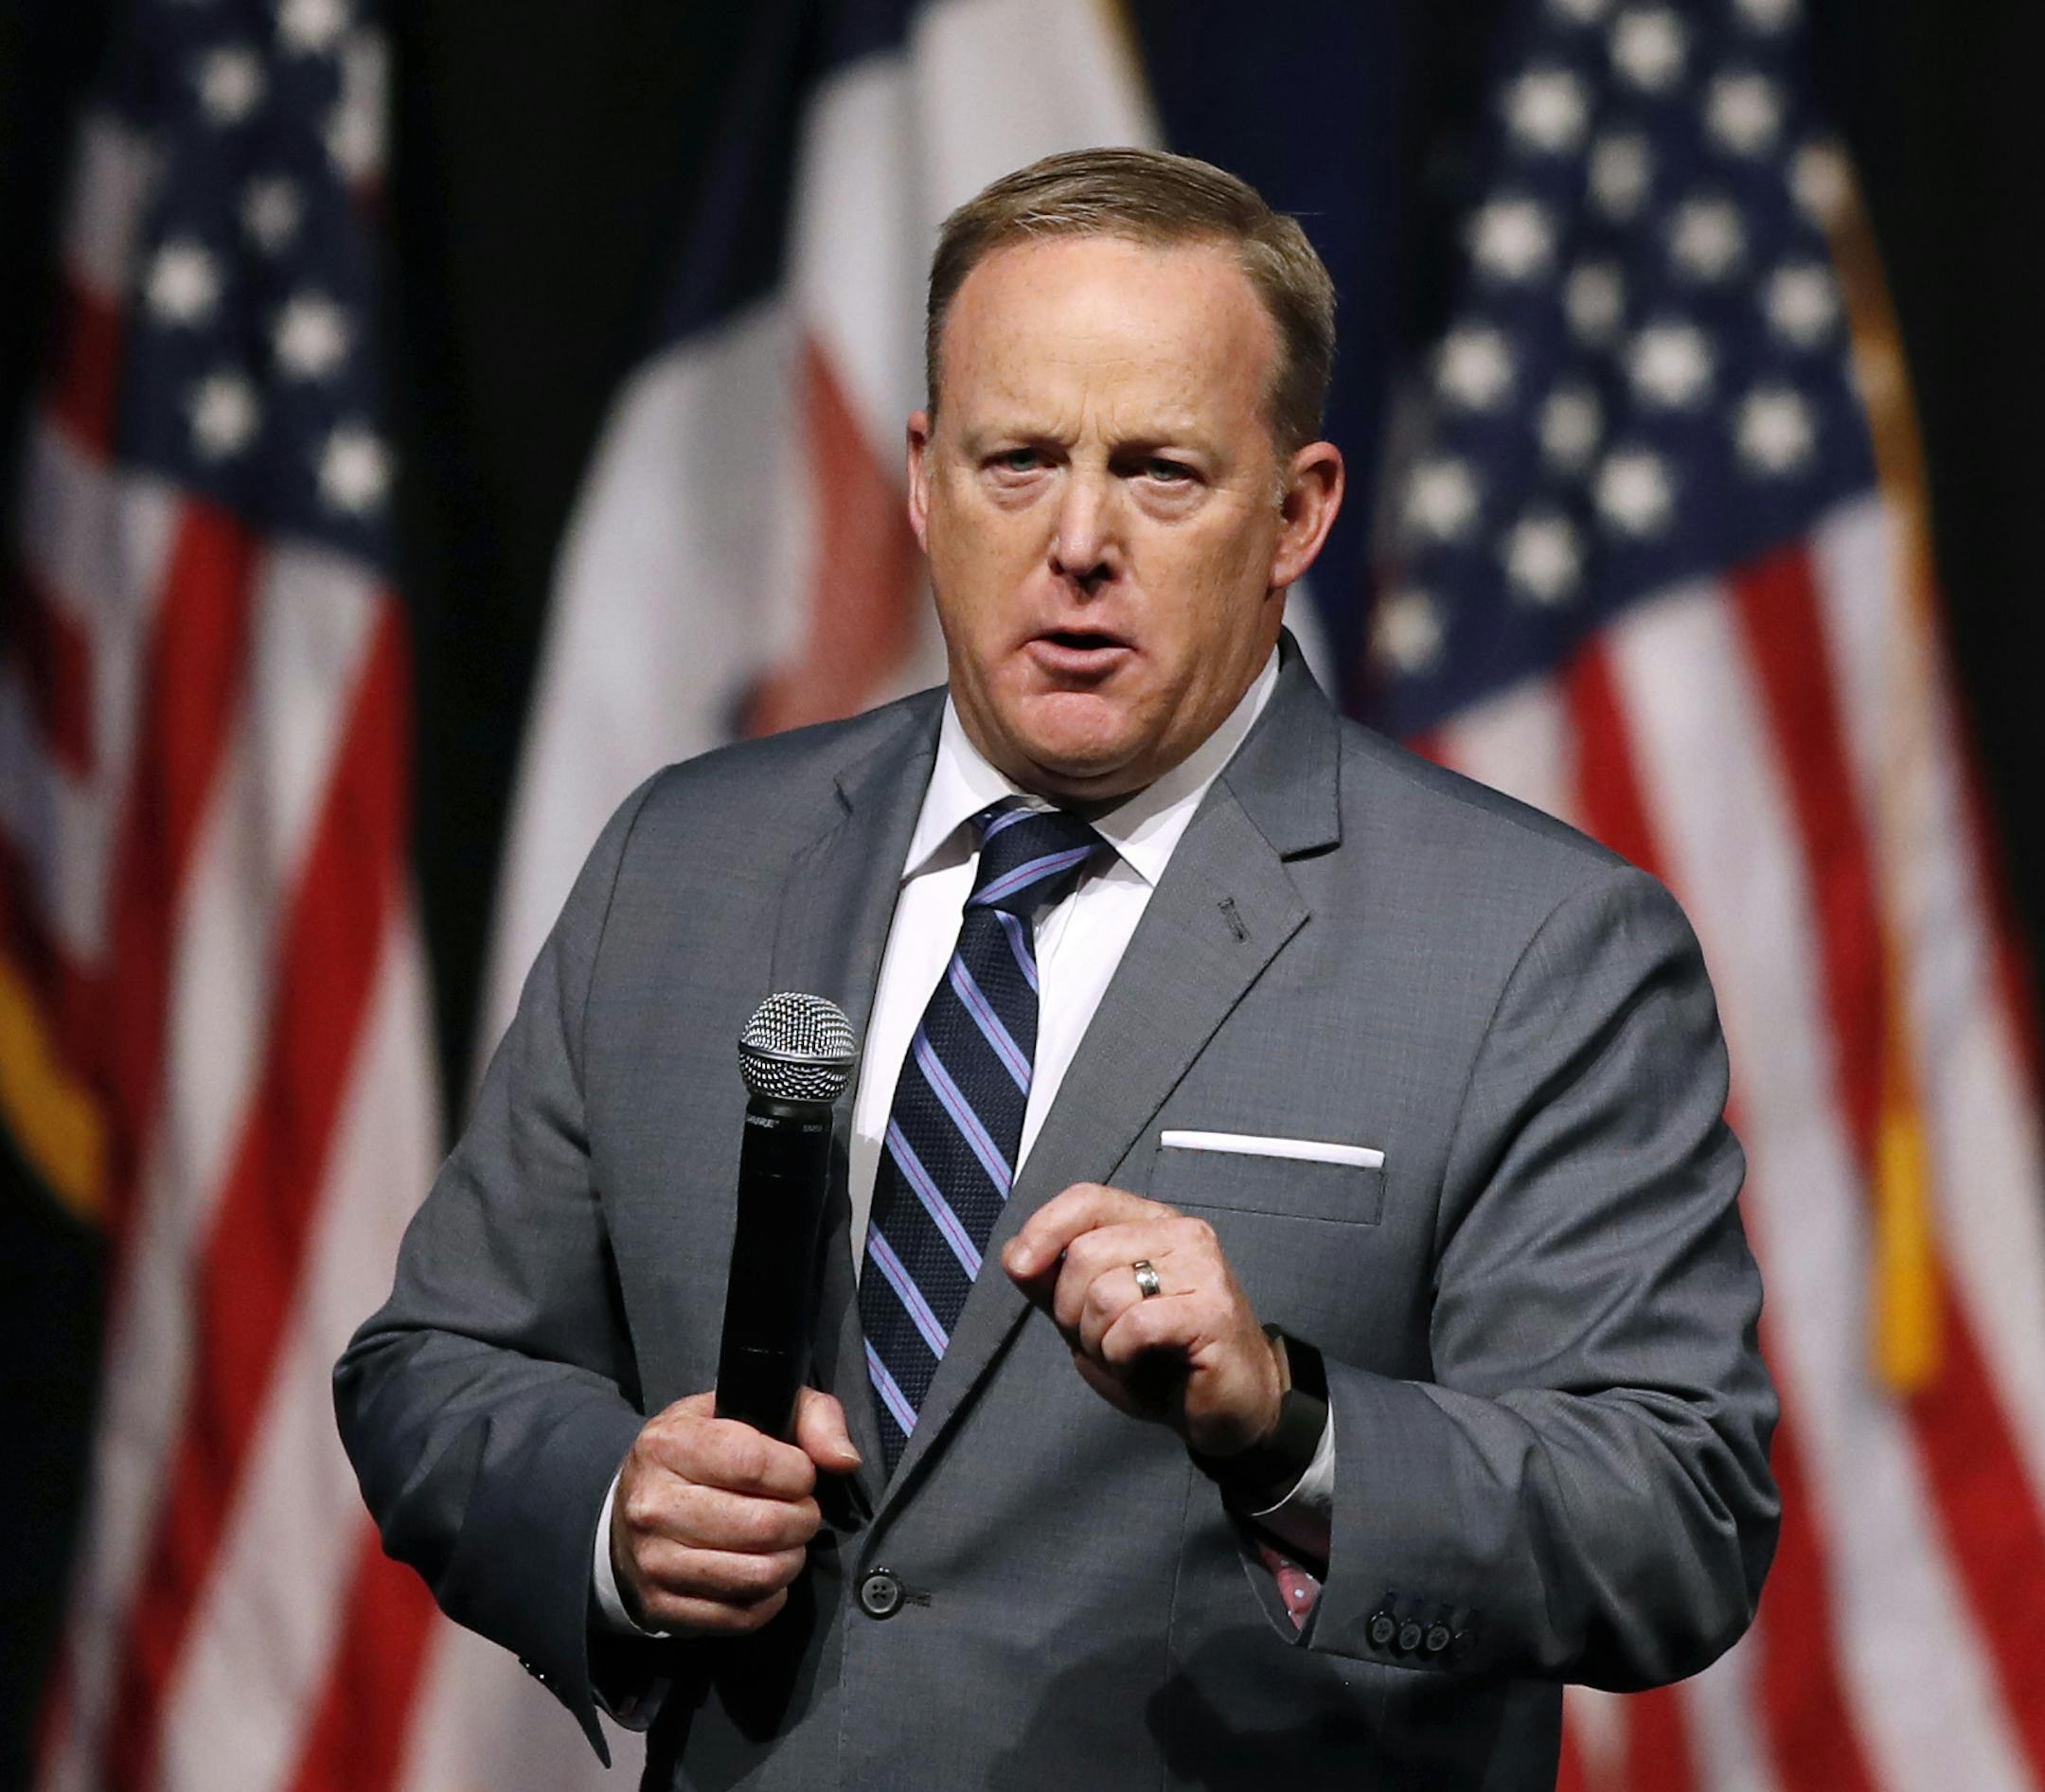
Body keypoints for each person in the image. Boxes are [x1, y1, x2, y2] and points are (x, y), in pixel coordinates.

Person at [336, 148, 1778, 1789]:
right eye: (1018, 459)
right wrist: (611, 1512)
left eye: (1160, 471)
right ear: (922, 480)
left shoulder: (1536, 946)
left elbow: (1677, 1510)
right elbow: (437, 1364)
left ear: (1297, 511)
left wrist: (1292, 1422)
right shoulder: (685, 864)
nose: (1077, 539)